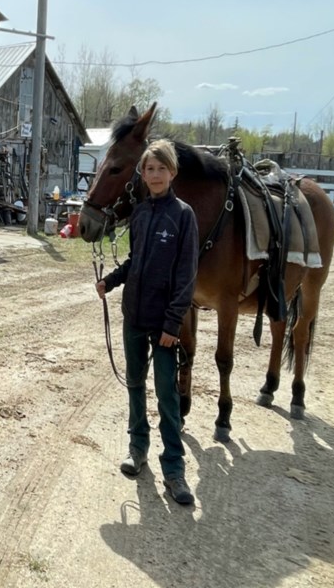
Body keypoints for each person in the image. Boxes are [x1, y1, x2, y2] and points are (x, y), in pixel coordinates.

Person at [95, 138, 199, 505]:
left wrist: (173, 325)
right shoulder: (139, 215)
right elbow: (134, 262)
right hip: (134, 317)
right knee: (135, 384)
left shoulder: (183, 216)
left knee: (168, 394)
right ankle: (137, 447)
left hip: (164, 326)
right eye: (148, 169)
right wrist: (111, 281)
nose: (154, 175)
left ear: (172, 172)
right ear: (142, 174)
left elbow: (186, 276)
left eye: (161, 168)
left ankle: (174, 468)